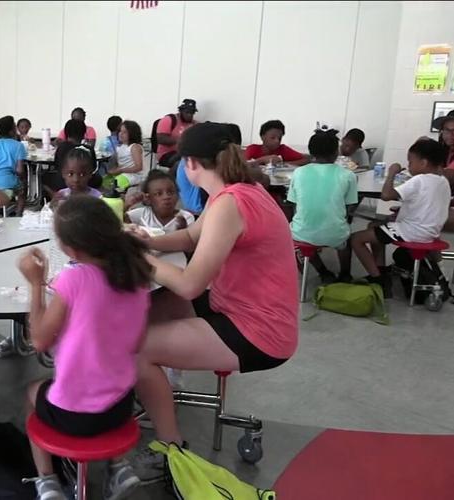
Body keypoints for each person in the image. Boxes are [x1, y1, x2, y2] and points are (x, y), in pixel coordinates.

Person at [128, 123, 298, 482]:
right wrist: (149, 242)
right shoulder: (240, 191)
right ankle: (144, 389)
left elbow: (191, 285)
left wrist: (139, 258)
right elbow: (191, 235)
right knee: (149, 310)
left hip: (257, 331)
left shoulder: (230, 204)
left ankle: (171, 448)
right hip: (241, 309)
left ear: (189, 164)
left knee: (136, 349)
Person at [19, 195, 152, 500]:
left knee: (31, 393)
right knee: (101, 385)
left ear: (72, 250)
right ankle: (118, 468)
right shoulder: (137, 275)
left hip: (73, 414)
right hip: (121, 406)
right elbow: (137, 342)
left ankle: (47, 481)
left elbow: (39, 340)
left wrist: (36, 285)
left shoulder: (73, 279)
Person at [350, 139, 451, 297]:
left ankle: (378, 281)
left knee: (356, 239)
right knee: (373, 226)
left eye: (411, 162)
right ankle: (381, 271)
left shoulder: (419, 180)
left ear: (423, 163)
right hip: (429, 231)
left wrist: (392, 173)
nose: (409, 166)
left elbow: (386, 195)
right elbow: (426, 205)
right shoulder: (443, 181)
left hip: (412, 232)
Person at [287, 129, 358, 283]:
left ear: (311, 152)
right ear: (336, 153)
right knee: (346, 240)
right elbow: (350, 207)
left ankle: (323, 272)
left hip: (302, 232)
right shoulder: (348, 175)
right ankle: (345, 274)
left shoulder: (298, 173)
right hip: (335, 232)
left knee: (302, 236)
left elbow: (293, 204)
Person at [0, 115, 28, 213]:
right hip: (7, 182)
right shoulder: (19, 145)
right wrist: (23, 178)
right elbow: (20, 170)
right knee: (23, 187)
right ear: (12, 130)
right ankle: (18, 214)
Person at [45, 119, 100, 199]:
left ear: (66, 133)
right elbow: (94, 167)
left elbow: (56, 165)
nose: (75, 179)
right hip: (87, 182)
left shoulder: (62, 147)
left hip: (61, 182)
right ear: (83, 133)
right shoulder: (88, 148)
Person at [126, 170, 195, 234]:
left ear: (177, 195)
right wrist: (127, 204)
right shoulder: (142, 214)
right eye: (158, 194)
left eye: (171, 192)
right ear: (148, 198)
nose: (166, 197)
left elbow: (191, 242)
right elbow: (118, 221)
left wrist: (183, 230)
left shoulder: (186, 217)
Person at [152, 98, 198, 167]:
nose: (190, 115)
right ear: (181, 111)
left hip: (186, 154)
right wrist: (182, 140)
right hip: (167, 154)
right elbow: (160, 139)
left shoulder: (194, 124)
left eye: (192, 113)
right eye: (187, 112)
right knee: (182, 163)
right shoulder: (169, 120)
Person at [105, 120, 145, 191]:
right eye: (120, 131)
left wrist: (120, 170)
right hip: (124, 174)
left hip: (134, 176)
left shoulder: (134, 147)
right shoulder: (120, 147)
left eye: (125, 132)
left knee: (114, 184)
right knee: (104, 181)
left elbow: (138, 167)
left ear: (132, 134)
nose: (121, 134)